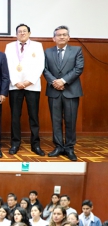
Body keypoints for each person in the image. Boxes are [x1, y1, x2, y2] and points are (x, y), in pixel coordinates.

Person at [5, 23, 47, 157]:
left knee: (33, 117)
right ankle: (15, 143)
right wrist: (16, 82)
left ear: (29, 33)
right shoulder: (10, 46)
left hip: (32, 86)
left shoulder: (37, 45)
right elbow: (8, 66)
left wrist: (29, 81)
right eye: (19, 31)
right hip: (15, 86)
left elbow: (40, 65)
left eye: (24, 31)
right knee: (15, 116)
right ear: (16, 34)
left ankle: (35, 144)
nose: (22, 33)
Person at [44, 25, 84, 161]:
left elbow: (79, 68)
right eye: (59, 35)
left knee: (70, 121)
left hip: (71, 91)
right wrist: (54, 82)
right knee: (55, 121)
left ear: (69, 37)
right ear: (53, 38)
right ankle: (59, 146)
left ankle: (69, 148)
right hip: (53, 91)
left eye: (64, 34)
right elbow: (44, 69)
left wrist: (63, 81)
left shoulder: (77, 50)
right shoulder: (47, 52)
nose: (61, 37)